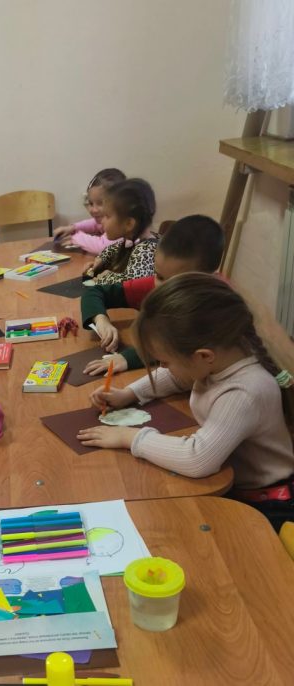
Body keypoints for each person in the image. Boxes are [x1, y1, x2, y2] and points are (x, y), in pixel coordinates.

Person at [78, 273, 294, 529]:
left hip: (269, 505)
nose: (162, 367)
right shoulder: (224, 357)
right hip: (236, 482)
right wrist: (129, 393)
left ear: (203, 356)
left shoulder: (243, 393)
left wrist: (130, 438)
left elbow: (197, 458)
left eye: (164, 361)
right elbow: (178, 377)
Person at [81, 215, 225, 376]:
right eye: (159, 276)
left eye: (178, 282)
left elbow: (180, 347)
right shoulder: (153, 285)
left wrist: (126, 358)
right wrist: (101, 320)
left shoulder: (216, 307)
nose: (165, 288)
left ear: (209, 278)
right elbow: (95, 291)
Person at [84, 178, 158, 285]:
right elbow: (113, 249)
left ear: (129, 224)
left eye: (107, 216)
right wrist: (100, 261)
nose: (102, 221)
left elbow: (132, 282)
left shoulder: (146, 250)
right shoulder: (129, 241)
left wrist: (106, 278)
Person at [53, 168, 126, 254]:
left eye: (101, 203)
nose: (93, 210)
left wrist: (75, 237)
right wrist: (73, 228)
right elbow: (96, 224)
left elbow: (102, 247)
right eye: (91, 203)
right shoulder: (108, 220)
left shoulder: (122, 224)